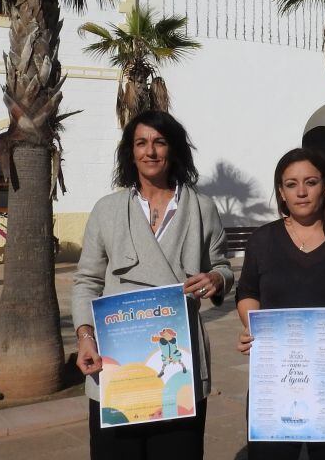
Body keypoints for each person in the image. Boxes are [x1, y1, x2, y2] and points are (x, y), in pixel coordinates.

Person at [72, 110, 234, 460]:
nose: (150, 151)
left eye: (159, 142)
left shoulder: (202, 208)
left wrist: (216, 279)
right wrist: (85, 337)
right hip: (117, 361)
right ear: (130, 152)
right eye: (141, 143)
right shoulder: (107, 209)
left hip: (179, 361)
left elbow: (222, 266)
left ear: (173, 149)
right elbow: (87, 280)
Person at [236, 148, 325, 460]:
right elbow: (247, 291)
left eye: (310, 182)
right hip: (274, 378)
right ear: (281, 192)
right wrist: (252, 325)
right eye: (291, 184)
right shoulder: (262, 240)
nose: (301, 191)